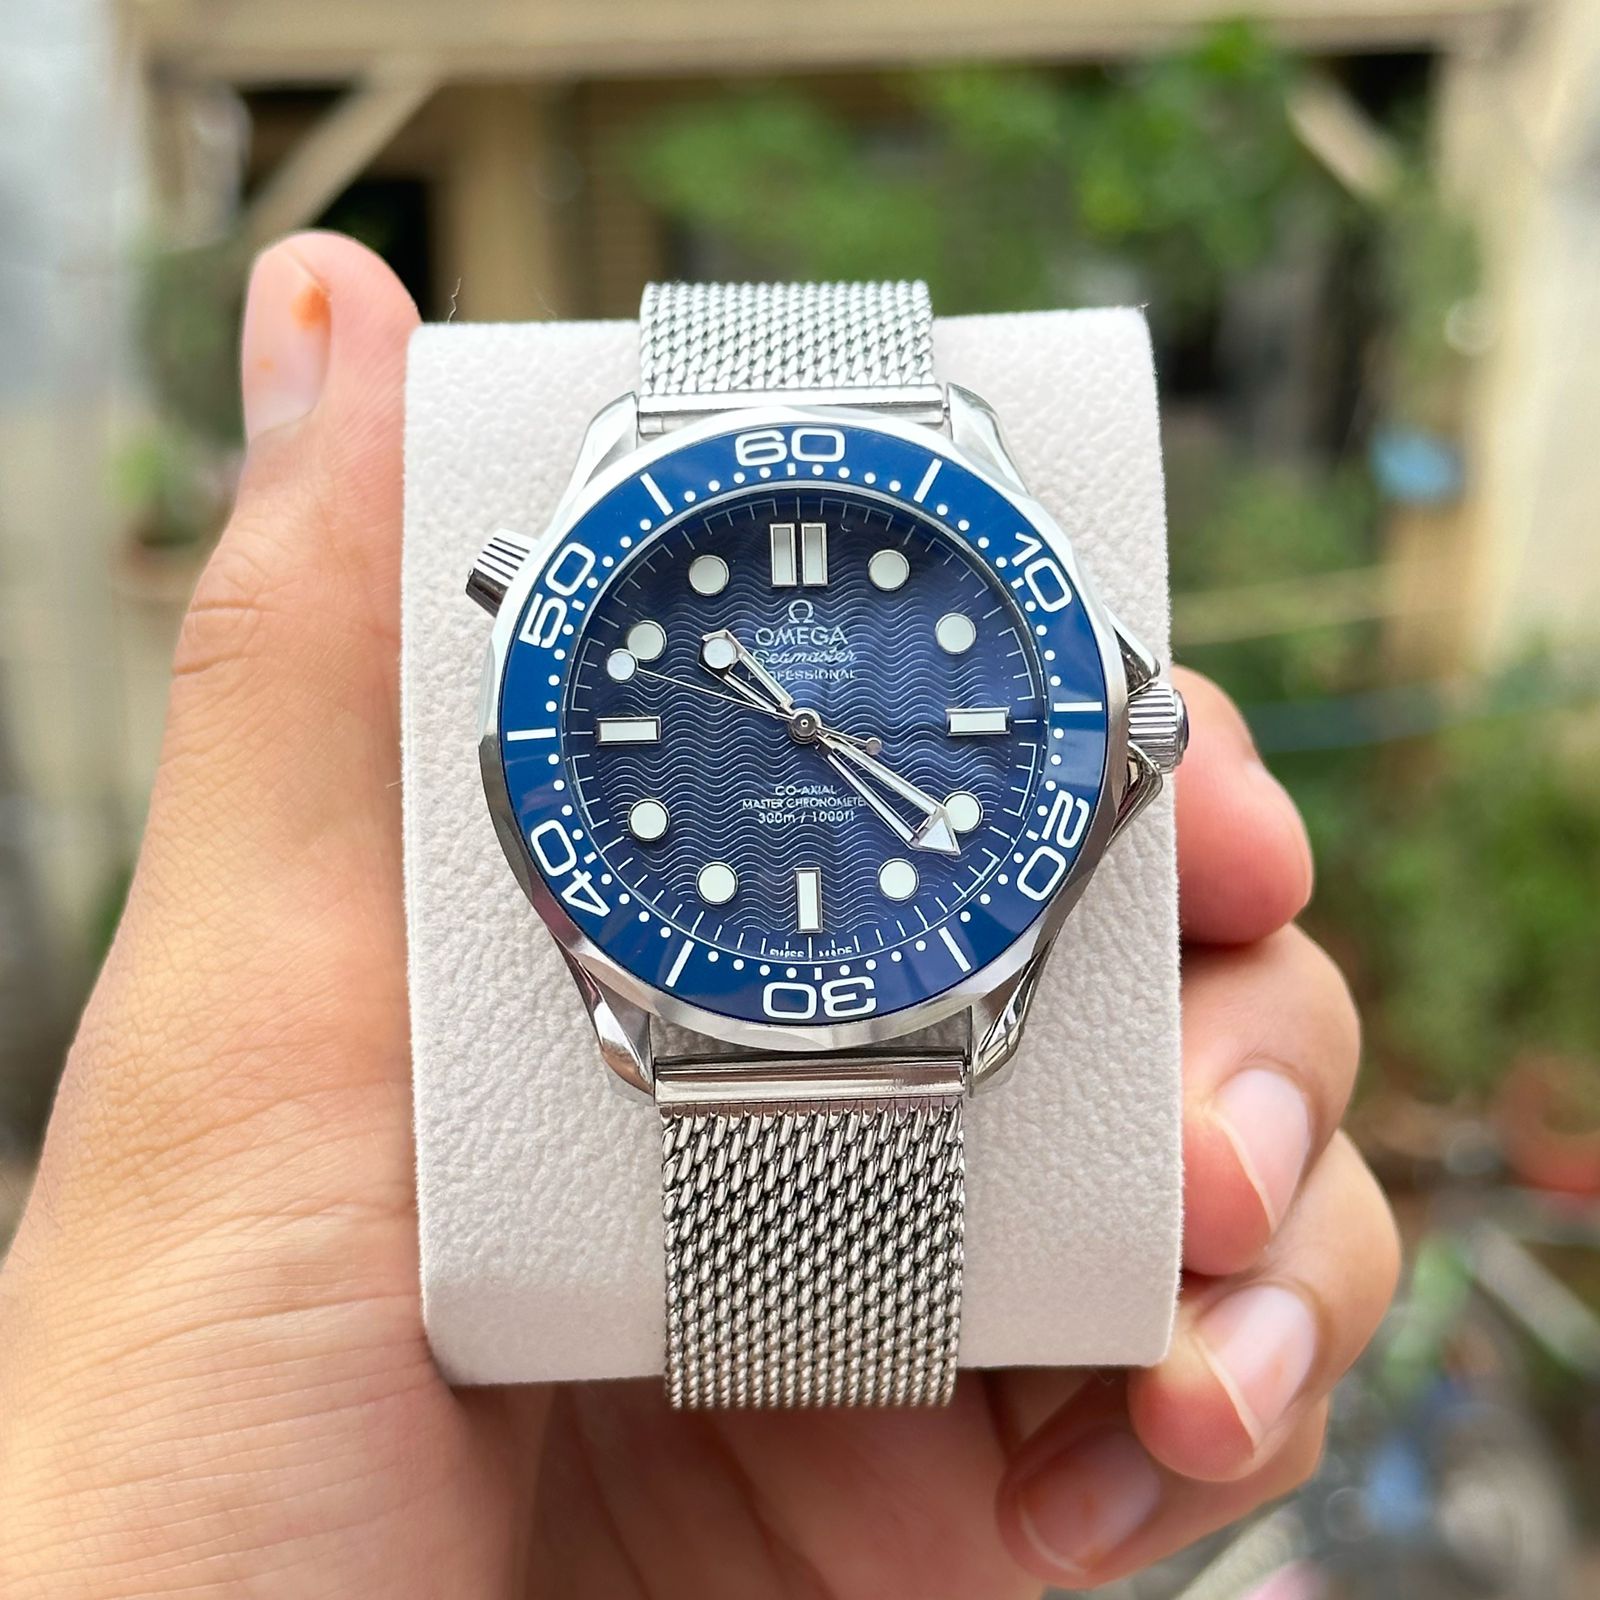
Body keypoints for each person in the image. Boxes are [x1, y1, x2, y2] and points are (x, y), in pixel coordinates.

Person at [0, 233, 1398, 1598]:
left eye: (814, 724)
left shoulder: (1057, 690)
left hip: (887, 1037)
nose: (807, 730)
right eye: (798, 723)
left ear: (1124, 738)